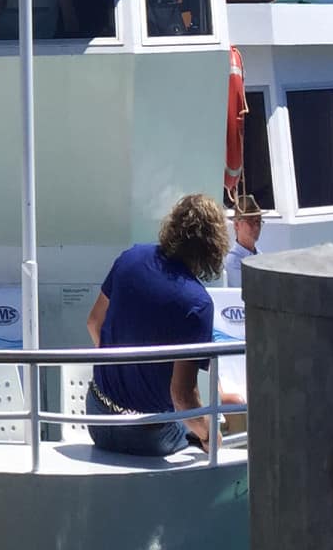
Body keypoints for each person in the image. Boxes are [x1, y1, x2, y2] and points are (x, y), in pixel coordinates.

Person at [85, 193, 236, 456]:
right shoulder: (197, 304)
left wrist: (127, 374)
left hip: (97, 417)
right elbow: (183, 398)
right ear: (212, 245)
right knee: (211, 438)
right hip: (148, 434)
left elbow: (93, 323)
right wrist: (211, 435)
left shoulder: (130, 258)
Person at [223, 194, 262, 288]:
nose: (256, 226)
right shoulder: (233, 261)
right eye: (251, 221)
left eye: (258, 221)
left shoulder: (260, 255)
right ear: (237, 225)